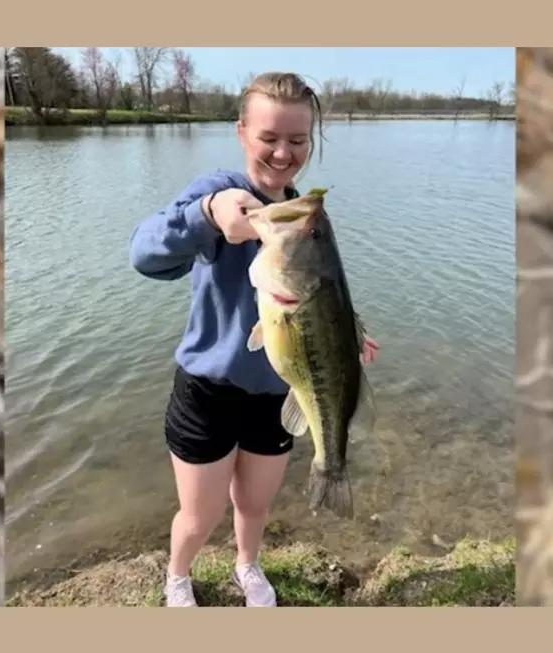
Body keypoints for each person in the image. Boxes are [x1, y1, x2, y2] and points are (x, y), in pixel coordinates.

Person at [128, 72, 380, 607]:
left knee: (254, 507)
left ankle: (247, 566)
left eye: (298, 140)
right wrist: (207, 217)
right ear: (242, 133)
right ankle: (178, 575)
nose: (284, 153)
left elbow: (323, 290)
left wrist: (345, 335)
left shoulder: (299, 214)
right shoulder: (216, 196)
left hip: (277, 398)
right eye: (269, 138)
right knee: (200, 514)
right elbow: (145, 256)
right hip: (207, 392)